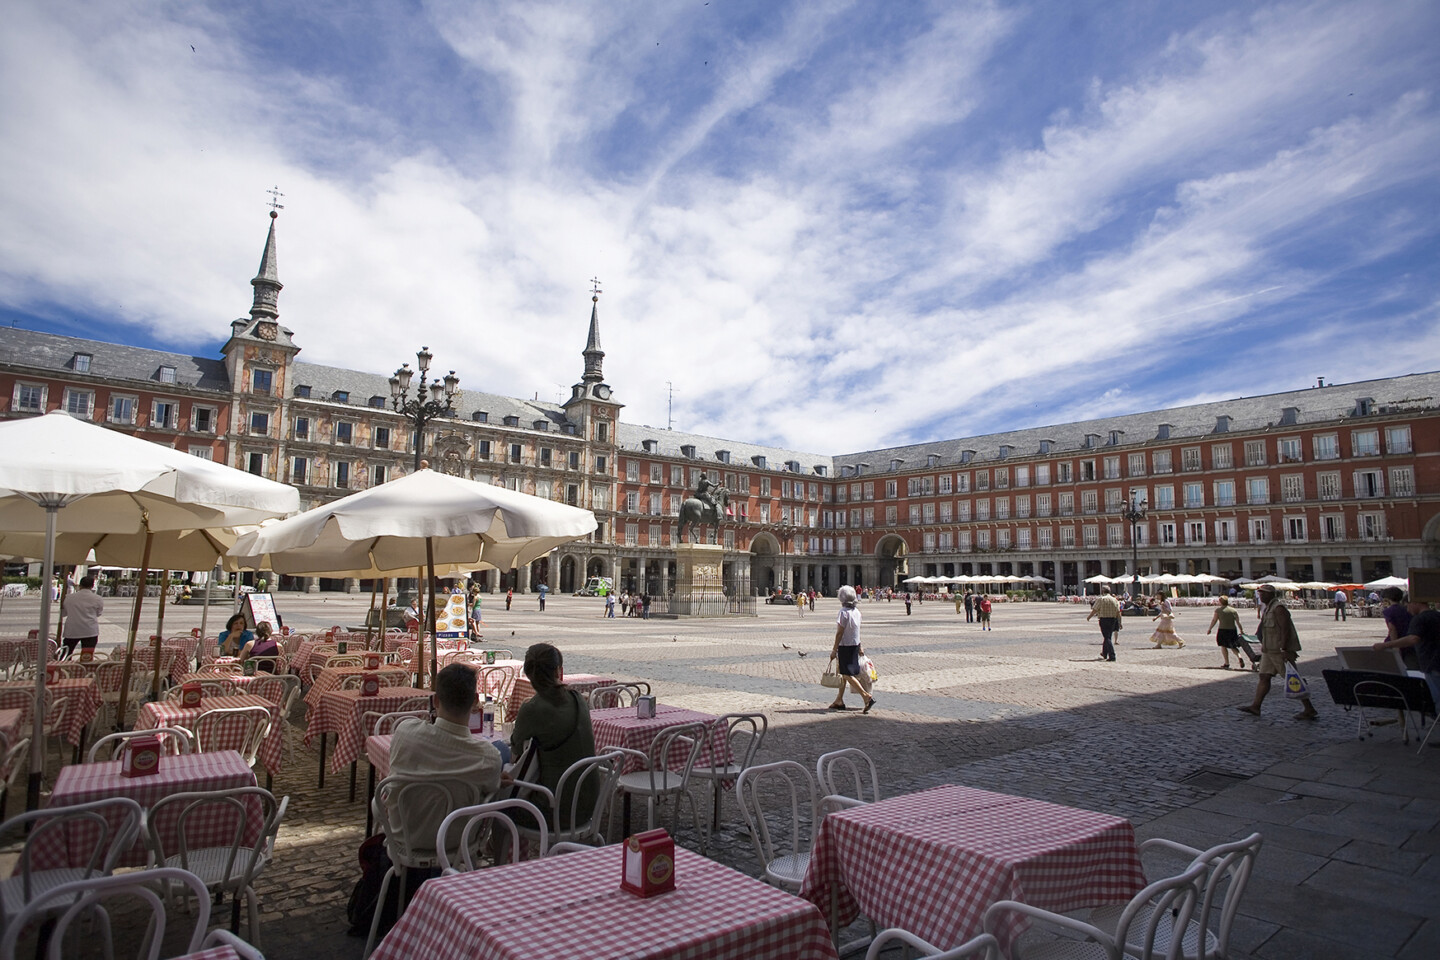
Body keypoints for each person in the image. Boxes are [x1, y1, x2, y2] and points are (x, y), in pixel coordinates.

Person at [387, 663, 504, 851]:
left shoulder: (404, 732)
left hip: (403, 837)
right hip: (456, 843)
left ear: (435, 701)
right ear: (475, 701)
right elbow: (490, 790)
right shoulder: (488, 758)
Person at [508, 643, 597, 828]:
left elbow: (514, 757)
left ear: (529, 674)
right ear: (558, 670)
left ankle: (505, 853)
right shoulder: (578, 698)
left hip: (555, 809)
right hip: (591, 802)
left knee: (500, 808)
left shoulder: (531, 709)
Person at [1238, 584, 1318, 720]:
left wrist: (1284, 649)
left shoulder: (1278, 608)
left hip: (1278, 651)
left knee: (1292, 679)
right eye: (1260, 593)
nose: (1261, 595)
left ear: (1271, 594)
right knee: (1264, 676)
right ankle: (1256, 706)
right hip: (1268, 650)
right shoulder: (1268, 608)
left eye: (1263, 593)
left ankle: (1309, 708)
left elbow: (1284, 629)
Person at [1373, 598, 1440, 707]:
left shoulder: (1419, 619)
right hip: (1435, 661)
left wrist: (1386, 645)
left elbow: (1413, 638)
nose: (1408, 610)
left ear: (1415, 603)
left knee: (1436, 699)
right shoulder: (1436, 615)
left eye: (1407, 606)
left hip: (1431, 664)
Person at [828, 585, 875, 713]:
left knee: (846, 673)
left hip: (845, 646)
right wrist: (860, 645)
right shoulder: (857, 612)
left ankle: (866, 696)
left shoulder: (843, 612)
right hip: (854, 645)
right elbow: (857, 631)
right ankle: (839, 700)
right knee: (843, 673)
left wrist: (834, 650)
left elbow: (839, 633)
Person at [61, 574, 104, 658]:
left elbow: (64, 613)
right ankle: (85, 670)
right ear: (92, 586)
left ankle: (63, 669)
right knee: (87, 657)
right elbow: (99, 613)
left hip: (72, 629)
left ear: (80, 585)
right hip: (89, 629)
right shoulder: (97, 598)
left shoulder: (69, 597)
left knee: (66, 654)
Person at [1206, 596, 1245, 669]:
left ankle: (1227, 663)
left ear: (1220, 602)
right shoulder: (1233, 610)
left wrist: (1210, 629)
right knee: (1233, 646)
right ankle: (1239, 656)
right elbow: (1238, 622)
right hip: (1232, 630)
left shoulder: (1218, 610)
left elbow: (1214, 620)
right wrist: (1241, 630)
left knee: (1223, 646)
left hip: (1222, 630)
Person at [1086, 586, 1120, 662]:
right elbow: (1118, 612)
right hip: (1113, 619)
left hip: (1104, 619)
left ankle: (1112, 655)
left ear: (1103, 591)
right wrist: (1120, 622)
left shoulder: (1101, 599)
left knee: (1107, 637)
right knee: (1108, 636)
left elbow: (1094, 609)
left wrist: (1089, 617)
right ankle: (1104, 653)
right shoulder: (1115, 600)